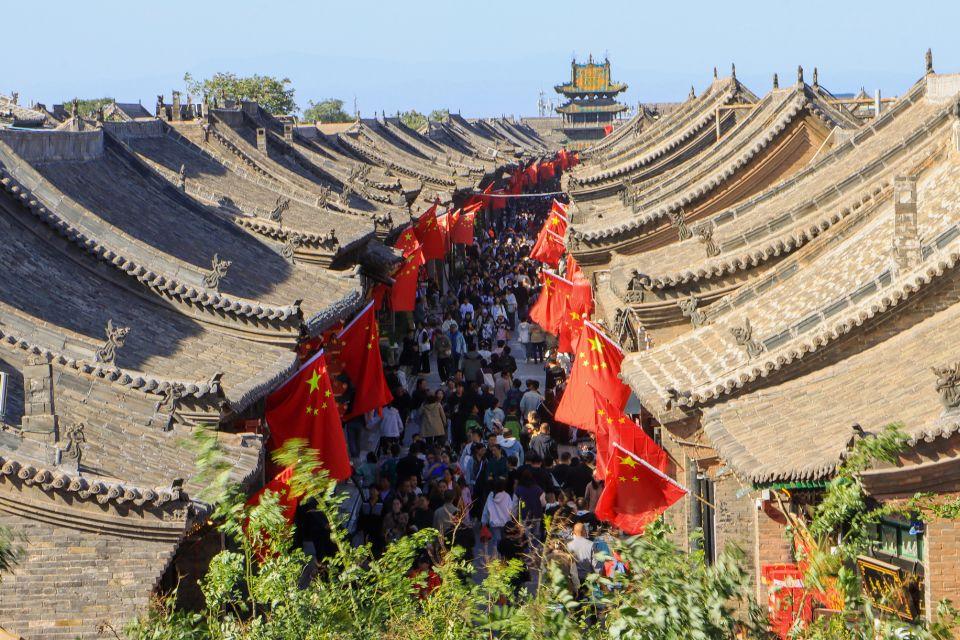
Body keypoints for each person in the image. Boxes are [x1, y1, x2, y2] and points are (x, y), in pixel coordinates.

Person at [481, 479, 515, 559]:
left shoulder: (491, 495)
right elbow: (511, 509)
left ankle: (496, 556)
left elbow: (486, 509)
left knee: (496, 540)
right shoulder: (507, 496)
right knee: (504, 540)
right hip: (505, 522)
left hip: (494, 523)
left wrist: (484, 522)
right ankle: (503, 557)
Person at [567, 522, 595, 588]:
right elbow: (595, 564)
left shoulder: (568, 545)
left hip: (573, 579)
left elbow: (568, 563)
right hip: (588, 579)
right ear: (584, 531)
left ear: (574, 532)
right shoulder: (591, 544)